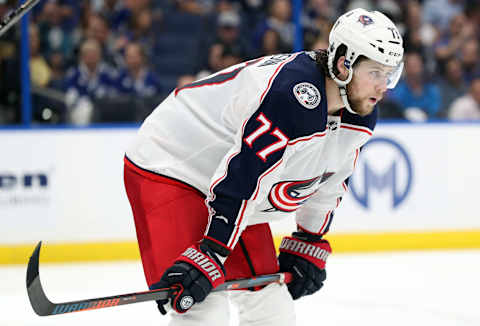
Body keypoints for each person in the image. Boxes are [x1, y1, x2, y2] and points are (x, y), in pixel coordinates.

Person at [123, 8, 404, 326]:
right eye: (377, 73)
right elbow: (247, 171)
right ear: (344, 64)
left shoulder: (360, 109)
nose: (385, 86)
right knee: (203, 309)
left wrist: (309, 239)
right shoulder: (292, 95)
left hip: (231, 187)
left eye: (391, 73)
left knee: (272, 308)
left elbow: (332, 179)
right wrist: (213, 250)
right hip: (170, 165)